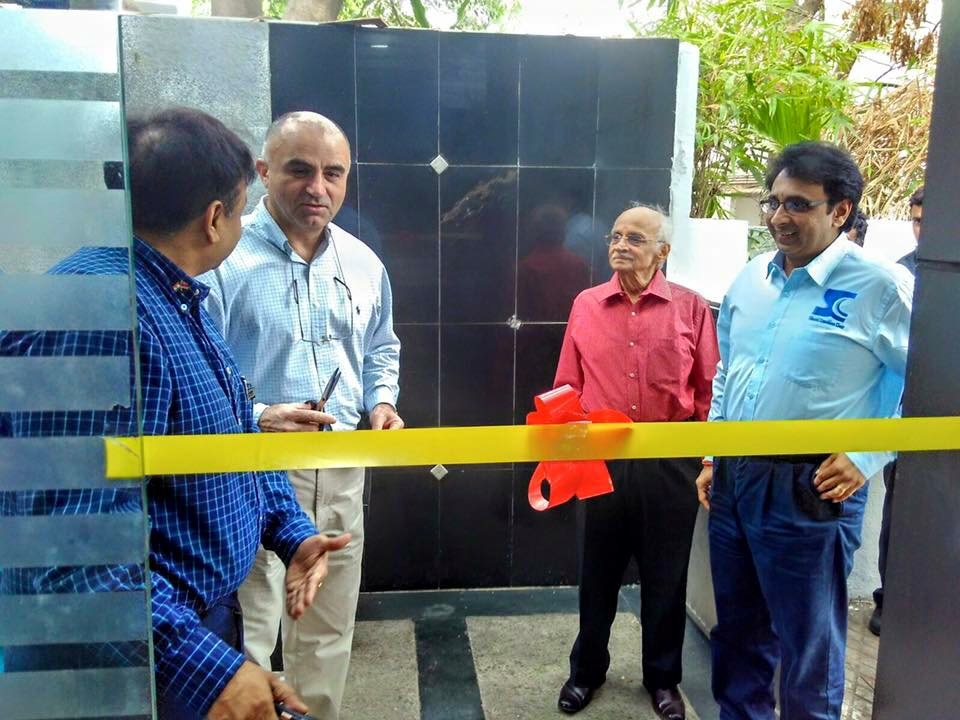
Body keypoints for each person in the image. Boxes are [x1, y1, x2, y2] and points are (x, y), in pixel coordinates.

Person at [0, 107, 350, 719]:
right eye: (242, 208)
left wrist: (291, 534)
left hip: (185, 630)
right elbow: (71, 558)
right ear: (215, 219)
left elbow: (233, 437)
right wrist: (210, 673)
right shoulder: (98, 320)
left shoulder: (174, 297)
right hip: (131, 661)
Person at [696, 142, 912, 719]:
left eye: (798, 204)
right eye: (773, 202)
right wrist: (714, 455)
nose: (778, 217)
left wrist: (869, 454)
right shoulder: (751, 279)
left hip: (810, 488)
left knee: (808, 649)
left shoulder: (879, 287)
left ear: (840, 211)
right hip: (735, 481)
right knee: (737, 634)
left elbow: (929, 384)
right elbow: (728, 371)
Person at [203, 111, 402, 720]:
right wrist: (260, 414)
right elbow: (201, 368)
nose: (318, 187)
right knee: (250, 626)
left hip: (340, 467)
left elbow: (382, 347)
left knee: (328, 625)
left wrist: (382, 401)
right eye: (300, 170)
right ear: (263, 172)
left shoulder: (363, 263)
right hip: (253, 470)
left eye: (333, 173)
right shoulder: (222, 258)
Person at [554, 203, 719, 720]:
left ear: (662, 252)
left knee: (666, 577)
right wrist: (568, 454)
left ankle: (663, 680)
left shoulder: (691, 308)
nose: (620, 245)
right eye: (616, 236)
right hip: (599, 460)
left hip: (670, 462)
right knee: (596, 574)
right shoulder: (586, 304)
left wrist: (708, 459)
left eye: (635, 238)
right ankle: (586, 673)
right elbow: (567, 385)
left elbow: (708, 390)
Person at [869, 184, 923, 636]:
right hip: (905, 421)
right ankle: (888, 603)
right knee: (900, 515)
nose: (923, 229)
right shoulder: (901, 275)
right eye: (917, 220)